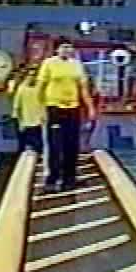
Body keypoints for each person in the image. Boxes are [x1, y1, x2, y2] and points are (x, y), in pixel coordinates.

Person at [38, 38, 96, 192]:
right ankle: (52, 179)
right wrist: (40, 110)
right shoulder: (48, 63)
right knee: (55, 144)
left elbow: (83, 89)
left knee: (72, 144)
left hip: (73, 108)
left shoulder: (77, 65)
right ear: (57, 49)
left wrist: (90, 108)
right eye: (63, 47)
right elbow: (40, 88)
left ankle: (69, 178)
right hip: (54, 108)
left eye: (69, 47)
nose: (67, 50)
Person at [13, 67, 45, 154]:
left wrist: (43, 118)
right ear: (26, 76)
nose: (32, 77)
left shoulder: (39, 88)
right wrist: (20, 123)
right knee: (23, 147)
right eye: (30, 75)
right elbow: (17, 107)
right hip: (25, 122)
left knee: (39, 147)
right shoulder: (21, 89)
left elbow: (43, 103)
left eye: (34, 75)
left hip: (37, 123)